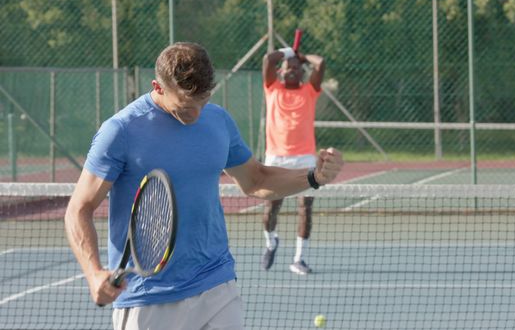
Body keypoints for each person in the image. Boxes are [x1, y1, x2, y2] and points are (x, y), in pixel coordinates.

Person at [64, 42, 343, 330]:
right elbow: (78, 209)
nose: (195, 114)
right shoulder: (120, 131)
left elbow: (257, 180)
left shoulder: (219, 120)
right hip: (148, 298)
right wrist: (93, 272)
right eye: (185, 106)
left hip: (217, 285)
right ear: (157, 87)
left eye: (203, 100)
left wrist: (314, 177)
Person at [260, 46, 325, 275]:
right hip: (276, 157)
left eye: (297, 69)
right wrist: (288, 52)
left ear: (301, 72)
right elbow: (268, 59)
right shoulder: (272, 88)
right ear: (281, 71)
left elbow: (321, 63)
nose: (292, 71)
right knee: (271, 209)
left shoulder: (310, 91)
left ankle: (299, 259)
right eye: (288, 67)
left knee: (305, 207)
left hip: (305, 158)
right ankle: (271, 242)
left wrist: (302, 56)